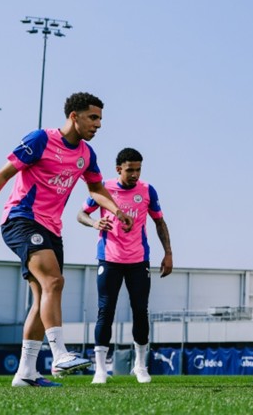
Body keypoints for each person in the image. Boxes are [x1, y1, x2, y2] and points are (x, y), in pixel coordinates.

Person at [0, 92, 133, 388]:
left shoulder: (86, 155)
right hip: (22, 219)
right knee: (54, 282)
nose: (99, 125)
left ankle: (25, 374)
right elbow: (3, 175)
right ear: (73, 116)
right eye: (93, 118)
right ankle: (59, 354)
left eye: (101, 119)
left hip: (52, 229)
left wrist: (117, 209)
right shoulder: (40, 139)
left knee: (42, 296)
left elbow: (95, 188)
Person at [78, 147, 172, 385]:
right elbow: (81, 214)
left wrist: (168, 253)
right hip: (109, 259)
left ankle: (140, 366)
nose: (135, 174)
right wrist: (94, 222)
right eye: (130, 170)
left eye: (138, 169)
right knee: (105, 311)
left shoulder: (147, 190)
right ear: (118, 169)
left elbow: (159, 222)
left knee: (141, 311)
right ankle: (100, 370)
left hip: (138, 261)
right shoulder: (104, 189)